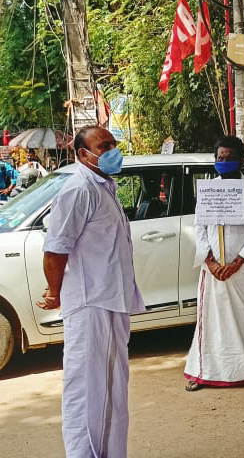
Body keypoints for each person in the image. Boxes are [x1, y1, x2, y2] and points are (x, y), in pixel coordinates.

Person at [37, 126, 145, 458]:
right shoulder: (78, 189)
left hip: (110, 301)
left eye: (113, 144)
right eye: (104, 146)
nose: (113, 150)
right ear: (84, 154)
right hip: (92, 304)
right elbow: (55, 250)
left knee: (110, 390)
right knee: (90, 391)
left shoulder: (103, 187)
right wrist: (54, 292)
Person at [184, 135, 244, 391]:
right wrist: (210, 262)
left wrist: (237, 262)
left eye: (229, 158)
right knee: (211, 320)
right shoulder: (207, 189)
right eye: (220, 157)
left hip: (241, 269)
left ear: (242, 160)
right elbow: (200, 228)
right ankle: (204, 371)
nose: (224, 162)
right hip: (212, 269)